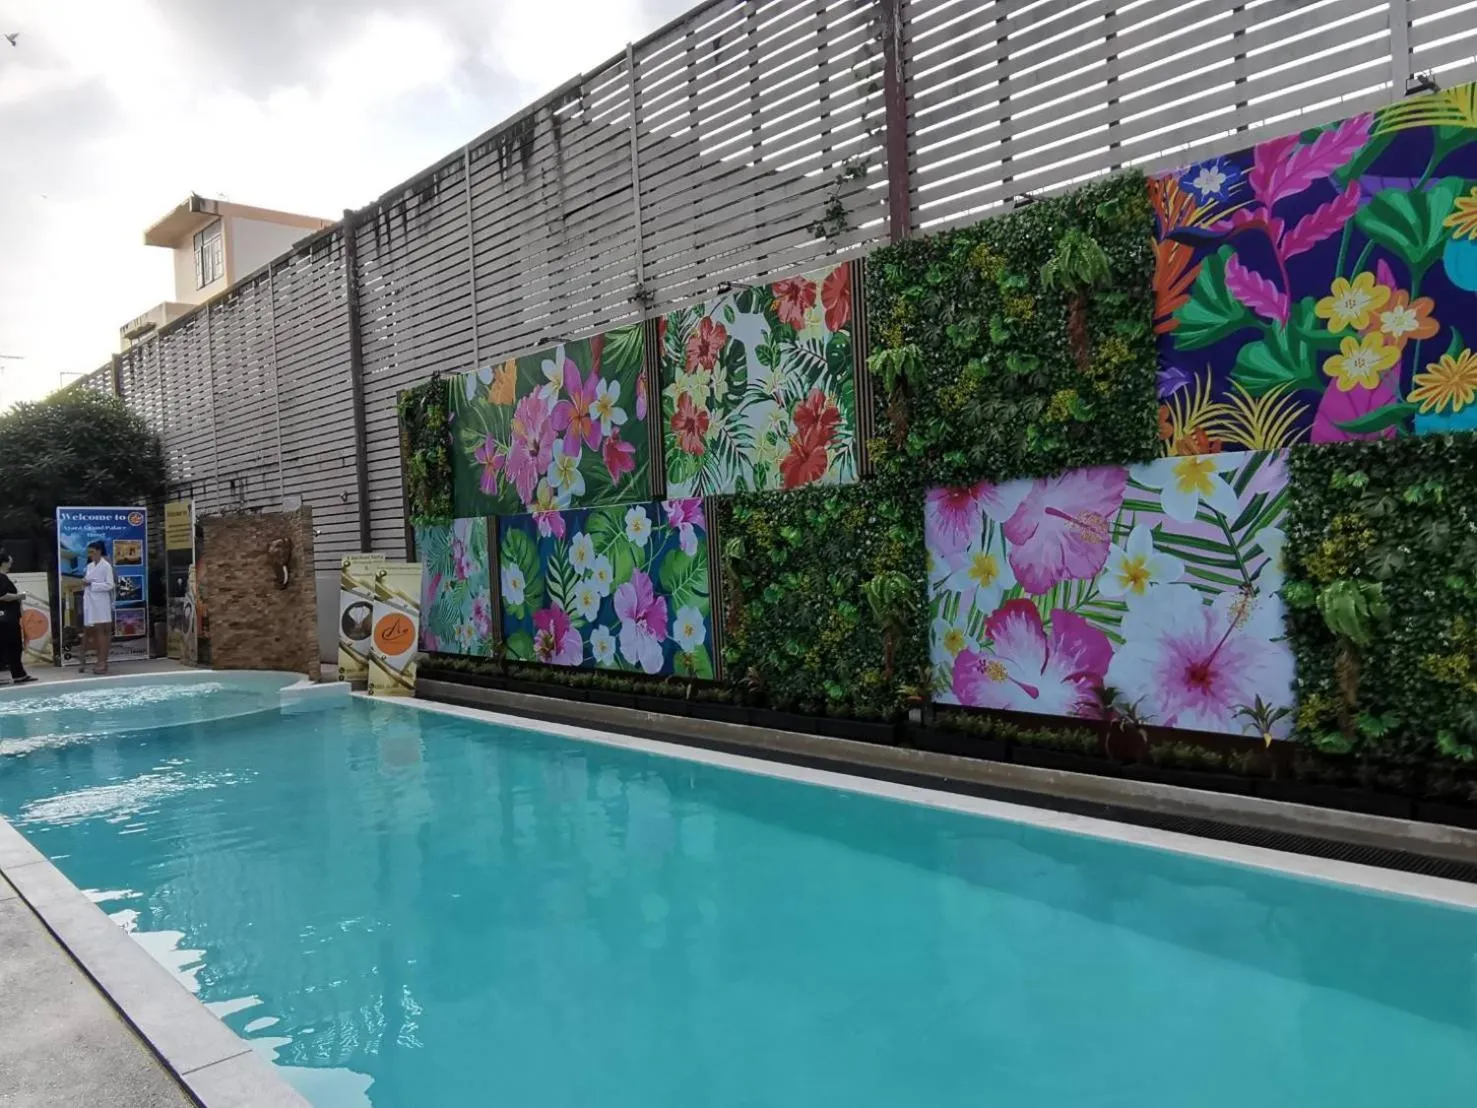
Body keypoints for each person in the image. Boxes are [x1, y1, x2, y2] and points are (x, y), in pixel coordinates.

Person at [0, 551, 36, 684]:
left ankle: (19, 674)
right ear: (4, 563)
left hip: (9, 618)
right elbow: (2, 596)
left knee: (14, 646)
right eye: (9, 562)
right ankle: (17, 674)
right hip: (6, 619)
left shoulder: (4, 577)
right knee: (9, 646)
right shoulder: (1, 578)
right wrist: (19, 596)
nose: (11, 564)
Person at [82, 540, 116, 675]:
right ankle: (98, 660)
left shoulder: (106, 566)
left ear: (99, 551)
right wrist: (86, 584)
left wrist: (93, 585)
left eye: (92, 552)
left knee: (102, 632)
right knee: (95, 633)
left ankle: (103, 662)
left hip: (101, 602)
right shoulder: (89, 566)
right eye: (89, 552)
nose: (90, 555)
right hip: (90, 602)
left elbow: (110, 585)